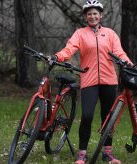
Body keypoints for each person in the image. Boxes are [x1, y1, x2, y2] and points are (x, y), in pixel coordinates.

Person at [52, 0, 132, 163]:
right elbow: (70, 49)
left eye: (95, 13)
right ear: (85, 17)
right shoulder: (80, 34)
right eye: (89, 14)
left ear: (100, 15)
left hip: (109, 81)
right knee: (87, 116)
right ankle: (82, 154)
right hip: (89, 81)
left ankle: (107, 153)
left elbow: (119, 52)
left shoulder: (110, 34)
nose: (92, 16)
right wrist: (57, 56)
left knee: (108, 118)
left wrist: (129, 63)